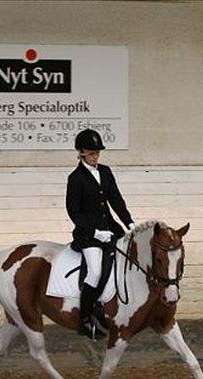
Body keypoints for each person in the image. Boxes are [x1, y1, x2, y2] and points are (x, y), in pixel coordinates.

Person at [66, 129, 135, 340]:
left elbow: (116, 199)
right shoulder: (75, 178)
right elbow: (73, 211)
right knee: (95, 272)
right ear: (81, 153)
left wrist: (129, 222)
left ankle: (101, 306)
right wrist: (94, 232)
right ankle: (84, 320)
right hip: (88, 235)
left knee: (118, 264)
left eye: (97, 153)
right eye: (91, 153)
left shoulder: (105, 171)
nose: (95, 157)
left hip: (110, 228)